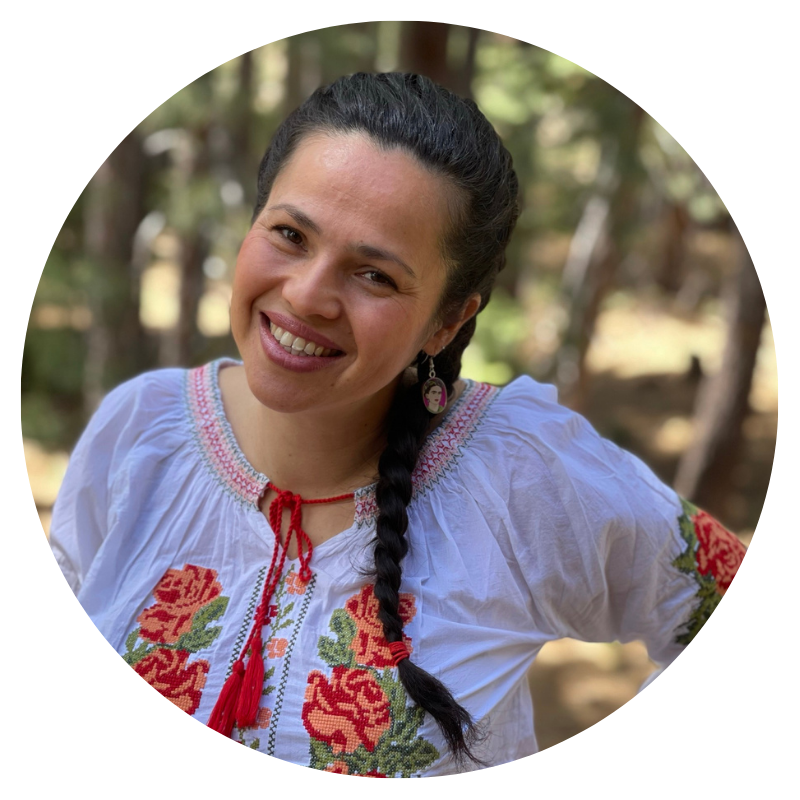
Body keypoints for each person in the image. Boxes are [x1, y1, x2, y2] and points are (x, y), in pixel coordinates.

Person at [49, 73, 747, 775]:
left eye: (375, 276)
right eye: (290, 234)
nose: (307, 296)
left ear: (447, 322)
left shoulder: (521, 475)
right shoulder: (140, 430)